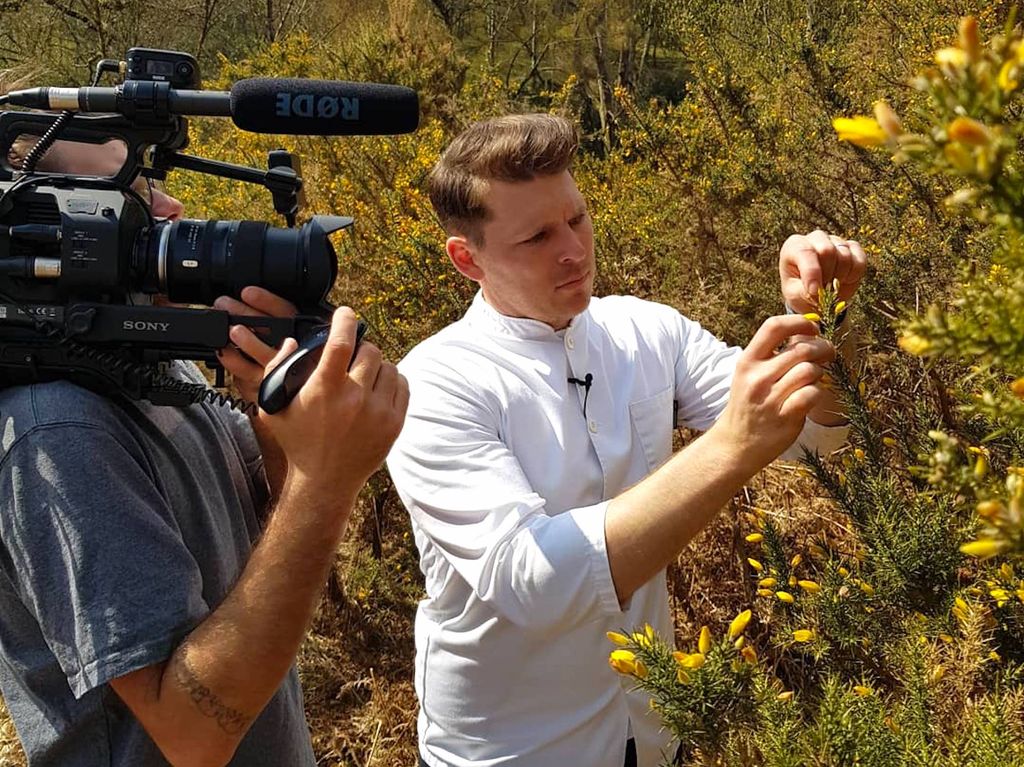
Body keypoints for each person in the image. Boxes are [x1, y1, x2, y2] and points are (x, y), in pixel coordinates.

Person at [385, 113, 865, 767]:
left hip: (650, 734)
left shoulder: (645, 332)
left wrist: (824, 320)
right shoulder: (436, 386)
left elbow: (815, 436)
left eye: (577, 219)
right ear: (468, 258)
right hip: (512, 751)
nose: (574, 252)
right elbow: (536, 584)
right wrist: (730, 445)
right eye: (537, 237)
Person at [0, 134, 409, 765]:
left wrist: (278, 412)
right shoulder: (58, 433)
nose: (170, 209)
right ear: (47, 234)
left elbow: (266, 524)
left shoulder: (144, 365)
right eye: (131, 196)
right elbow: (191, 733)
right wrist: (326, 483)